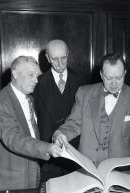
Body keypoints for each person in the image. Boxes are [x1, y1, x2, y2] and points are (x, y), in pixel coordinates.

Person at [53, 53, 130, 172]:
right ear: (101, 75)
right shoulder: (84, 93)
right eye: (108, 78)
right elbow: (74, 124)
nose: (114, 83)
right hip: (86, 168)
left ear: (125, 73)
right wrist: (60, 134)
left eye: (118, 77)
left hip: (122, 169)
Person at [0, 56, 63, 193]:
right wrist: (47, 147)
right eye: (31, 75)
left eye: (37, 75)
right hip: (11, 180)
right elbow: (14, 139)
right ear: (15, 74)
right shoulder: (2, 104)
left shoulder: (28, 98)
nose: (36, 80)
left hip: (30, 173)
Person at [33, 39, 81, 183]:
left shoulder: (81, 80)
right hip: (49, 159)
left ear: (68, 54)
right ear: (47, 58)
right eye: (54, 59)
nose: (60, 64)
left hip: (75, 154)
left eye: (63, 58)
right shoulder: (36, 84)